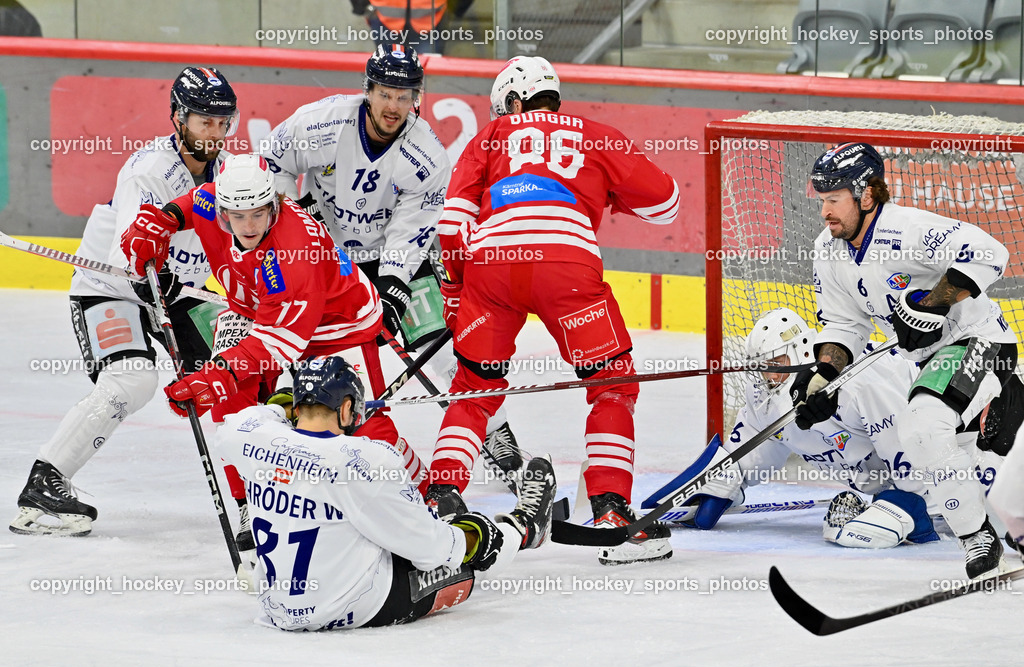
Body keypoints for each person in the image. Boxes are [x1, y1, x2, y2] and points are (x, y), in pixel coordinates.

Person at [424, 55, 680, 565]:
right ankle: (611, 510)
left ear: (514, 103)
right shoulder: (596, 135)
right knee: (612, 385)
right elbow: (667, 201)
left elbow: (452, 229)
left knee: (473, 390)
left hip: (492, 266)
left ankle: (441, 497)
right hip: (566, 263)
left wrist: (457, 300)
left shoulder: (489, 138)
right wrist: (604, 193)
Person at [118, 153, 426, 551]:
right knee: (230, 401)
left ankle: (421, 490)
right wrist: (162, 219)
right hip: (259, 313)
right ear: (224, 211)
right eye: (238, 215)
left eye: (258, 214)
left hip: (336, 324)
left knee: (357, 421)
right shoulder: (217, 202)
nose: (248, 225)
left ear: (275, 205)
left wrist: (217, 374)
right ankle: (251, 502)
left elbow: (278, 345)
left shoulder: (291, 253)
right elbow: (195, 201)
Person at [261, 44, 523, 481]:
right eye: (386, 93)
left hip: (389, 253)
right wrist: (295, 214)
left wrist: (395, 281)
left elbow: (414, 225)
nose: (394, 106)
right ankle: (307, 450)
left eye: (405, 96)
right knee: (312, 356)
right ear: (368, 90)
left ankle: (492, 431)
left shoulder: (426, 154)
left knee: (442, 350)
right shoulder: (321, 123)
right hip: (326, 258)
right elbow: (271, 161)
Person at [9, 67, 238, 537]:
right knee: (131, 379)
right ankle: (44, 485)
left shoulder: (230, 172)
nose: (214, 133)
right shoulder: (149, 173)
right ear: (178, 118)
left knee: (244, 363)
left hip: (179, 294)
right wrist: (162, 285)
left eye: (222, 122)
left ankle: (270, 488)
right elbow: (130, 260)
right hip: (112, 289)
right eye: (204, 122)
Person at [795, 141, 1023, 578]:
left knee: (921, 427)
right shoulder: (828, 250)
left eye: (834, 199)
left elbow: (990, 252)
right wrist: (824, 376)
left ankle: (978, 539)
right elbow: (844, 328)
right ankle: (1008, 408)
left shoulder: (909, 228)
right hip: (930, 364)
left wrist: (934, 304)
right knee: (978, 463)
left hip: (981, 343)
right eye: (822, 200)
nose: (825, 211)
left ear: (866, 195)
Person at [213, 356, 557, 630]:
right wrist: (475, 536)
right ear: (347, 409)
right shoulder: (367, 460)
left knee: (362, 522)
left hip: (278, 611)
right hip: (359, 607)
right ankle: (525, 528)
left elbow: (248, 419)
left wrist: (296, 403)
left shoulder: (248, 437)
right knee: (466, 552)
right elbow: (432, 549)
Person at [682, 307, 1011, 548]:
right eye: (761, 366)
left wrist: (915, 505)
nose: (767, 375)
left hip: (964, 446)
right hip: (903, 475)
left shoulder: (863, 382)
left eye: (776, 363)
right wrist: (728, 477)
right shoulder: (769, 395)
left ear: (800, 350)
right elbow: (762, 445)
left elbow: (914, 456)